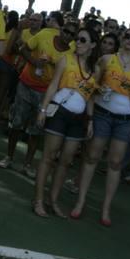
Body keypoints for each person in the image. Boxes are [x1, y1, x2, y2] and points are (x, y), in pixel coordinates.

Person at [71, 27, 130, 226]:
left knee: (115, 163)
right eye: (128, 36)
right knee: (92, 157)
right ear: (123, 38)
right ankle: (80, 202)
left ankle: (106, 208)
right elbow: (91, 87)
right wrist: (90, 117)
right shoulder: (107, 59)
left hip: (126, 120)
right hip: (102, 115)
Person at [32, 27, 99, 218]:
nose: (77, 42)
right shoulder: (65, 59)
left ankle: (52, 200)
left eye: (83, 40)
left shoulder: (95, 69)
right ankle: (38, 200)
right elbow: (53, 85)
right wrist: (43, 109)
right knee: (49, 157)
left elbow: (91, 97)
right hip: (59, 112)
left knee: (66, 161)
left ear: (93, 45)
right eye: (77, 39)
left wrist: (90, 120)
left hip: (78, 119)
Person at [0, 22, 76, 177]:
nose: (68, 35)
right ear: (61, 30)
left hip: (46, 93)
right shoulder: (45, 34)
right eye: (66, 31)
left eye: (72, 34)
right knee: (16, 123)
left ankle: (27, 164)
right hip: (26, 85)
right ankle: (9, 157)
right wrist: (34, 62)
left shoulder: (72, 50)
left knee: (36, 130)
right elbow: (23, 48)